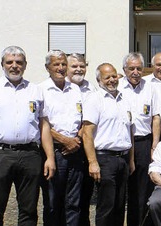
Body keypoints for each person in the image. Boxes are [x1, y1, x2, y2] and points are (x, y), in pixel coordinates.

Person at [0, 46, 56, 225]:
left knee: (29, 210)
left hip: (30, 155)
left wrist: (50, 157)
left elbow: (44, 125)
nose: (14, 66)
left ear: (25, 65)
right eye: (9, 62)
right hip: (0, 155)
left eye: (19, 62)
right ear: (2, 64)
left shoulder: (35, 90)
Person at [82, 63, 135, 226]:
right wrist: (92, 162)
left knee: (120, 206)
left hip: (123, 159)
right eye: (107, 77)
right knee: (107, 206)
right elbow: (87, 133)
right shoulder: (94, 99)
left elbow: (130, 132)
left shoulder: (124, 98)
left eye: (114, 76)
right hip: (105, 160)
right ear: (99, 80)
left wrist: (131, 160)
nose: (112, 80)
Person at [39, 50, 85, 226]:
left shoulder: (75, 89)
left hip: (76, 150)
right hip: (54, 152)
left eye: (63, 64)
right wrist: (65, 140)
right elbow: (40, 124)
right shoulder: (41, 89)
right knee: (52, 202)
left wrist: (76, 140)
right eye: (56, 64)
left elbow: (83, 120)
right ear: (47, 67)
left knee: (74, 202)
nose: (60, 68)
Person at [119, 52, 161, 226]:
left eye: (139, 68)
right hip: (121, 144)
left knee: (142, 191)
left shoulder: (150, 87)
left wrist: (154, 145)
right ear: (124, 69)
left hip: (143, 143)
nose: (135, 72)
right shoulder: (117, 87)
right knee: (120, 191)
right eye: (131, 68)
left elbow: (156, 117)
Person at [66, 52, 96, 225]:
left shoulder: (91, 88)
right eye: (74, 66)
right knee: (63, 198)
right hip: (62, 148)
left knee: (84, 196)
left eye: (82, 66)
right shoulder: (59, 87)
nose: (79, 69)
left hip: (84, 148)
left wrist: (79, 136)